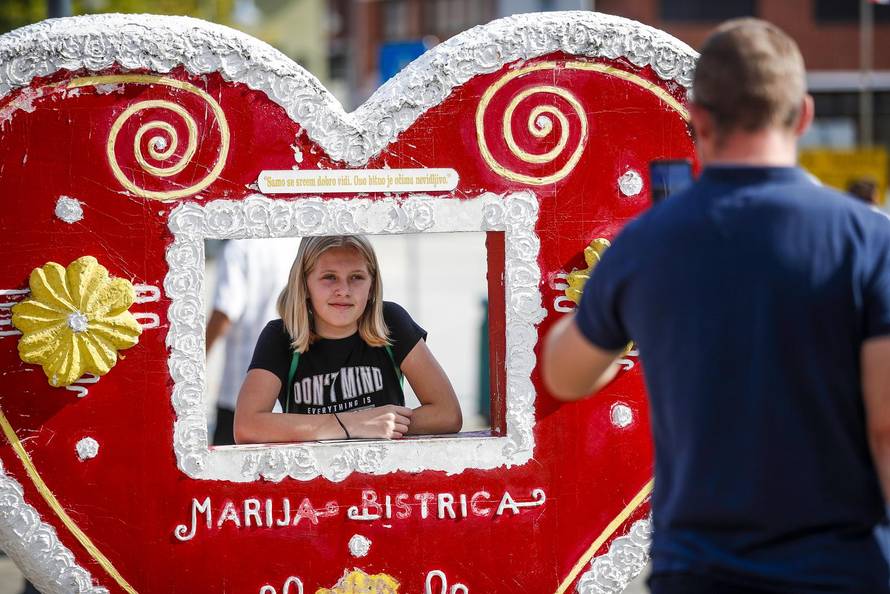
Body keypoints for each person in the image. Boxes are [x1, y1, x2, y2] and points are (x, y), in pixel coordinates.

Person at [542, 18, 890, 594]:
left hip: (700, 571)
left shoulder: (645, 244)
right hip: (841, 571)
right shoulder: (871, 242)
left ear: (698, 118)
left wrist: (609, 301)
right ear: (803, 115)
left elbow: (566, 373)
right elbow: (885, 425)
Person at [234, 235, 462, 442]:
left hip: (385, 470)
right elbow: (246, 426)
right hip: (311, 472)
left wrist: (385, 425)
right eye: (329, 277)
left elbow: (447, 413)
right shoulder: (282, 335)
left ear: (372, 285)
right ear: (304, 284)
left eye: (356, 277)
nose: (343, 290)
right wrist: (352, 424)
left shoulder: (389, 321)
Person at [206, 238, 299, 445]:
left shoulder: (239, 247)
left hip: (240, 392)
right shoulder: (295, 241)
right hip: (288, 395)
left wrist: (196, 360)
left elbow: (225, 310)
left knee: (227, 464)